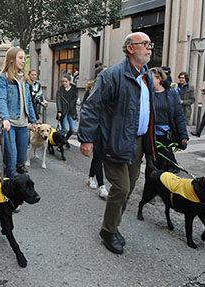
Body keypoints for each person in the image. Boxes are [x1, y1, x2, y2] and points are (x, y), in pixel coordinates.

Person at [78, 32, 155, 255]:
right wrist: (86, 139)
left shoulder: (146, 75)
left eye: (151, 44)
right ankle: (108, 231)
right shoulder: (112, 75)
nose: (150, 48)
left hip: (138, 142)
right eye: (145, 44)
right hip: (114, 140)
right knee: (121, 188)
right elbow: (92, 107)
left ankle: (113, 225)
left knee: (128, 188)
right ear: (131, 48)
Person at [0, 47, 37, 179]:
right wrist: (5, 118)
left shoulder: (24, 79)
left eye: (24, 58)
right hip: (10, 123)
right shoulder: (3, 78)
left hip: (23, 124)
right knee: (12, 158)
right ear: (12, 60)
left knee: (21, 160)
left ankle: (12, 178)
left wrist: (33, 120)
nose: (23, 61)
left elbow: (29, 101)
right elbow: (1, 98)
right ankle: (9, 189)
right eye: (20, 58)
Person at [150, 67, 188, 172]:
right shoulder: (147, 93)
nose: (149, 80)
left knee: (164, 162)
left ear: (160, 79)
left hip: (166, 134)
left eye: (151, 78)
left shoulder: (172, 93)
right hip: (150, 134)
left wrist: (183, 135)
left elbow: (179, 116)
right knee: (152, 164)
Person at [82, 80, 108, 199]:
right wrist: (86, 137)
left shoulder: (110, 92)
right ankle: (102, 186)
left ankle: (90, 177)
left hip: (106, 129)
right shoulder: (92, 92)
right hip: (96, 129)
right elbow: (87, 110)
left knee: (98, 157)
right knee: (98, 157)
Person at [56, 73, 78, 148]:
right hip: (63, 112)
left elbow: (75, 99)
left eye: (66, 81)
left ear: (69, 81)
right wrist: (59, 111)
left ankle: (65, 140)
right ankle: (61, 145)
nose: (64, 83)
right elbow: (58, 100)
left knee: (72, 129)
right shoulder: (60, 90)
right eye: (62, 81)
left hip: (72, 112)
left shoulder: (74, 89)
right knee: (64, 129)